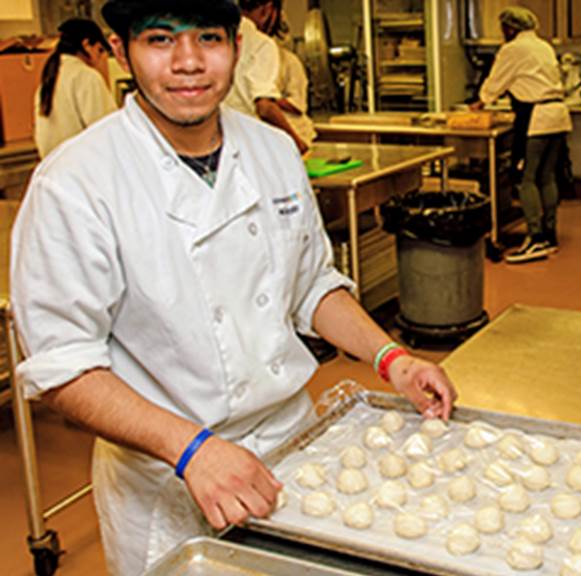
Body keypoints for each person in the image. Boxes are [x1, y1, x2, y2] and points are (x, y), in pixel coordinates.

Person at [11, 1, 456, 574]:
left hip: (296, 454)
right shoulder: (76, 183)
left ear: (237, 48)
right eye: (160, 40)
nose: (189, 62)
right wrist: (190, 450)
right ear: (121, 50)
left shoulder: (272, 151)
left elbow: (311, 285)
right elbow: (64, 365)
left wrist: (393, 358)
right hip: (166, 475)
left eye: (209, 38)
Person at [470, 6, 572, 264]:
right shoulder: (543, 46)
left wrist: (480, 102)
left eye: (503, 28)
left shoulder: (513, 49)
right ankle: (549, 235)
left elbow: (496, 81)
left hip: (535, 118)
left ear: (510, 28)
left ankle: (535, 238)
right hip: (558, 116)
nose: (502, 32)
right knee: (546, 177)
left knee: (525, 179)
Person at [224, 0, 309, 153]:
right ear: (268, 9)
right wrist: (296, 143)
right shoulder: (261, 44)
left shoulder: (216, 36)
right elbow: (264, 107)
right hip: (250, 144)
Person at [34, 18, 117, 158]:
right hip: (82, 167)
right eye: (100, 50)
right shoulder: (86, 76)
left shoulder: (50, 76)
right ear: (86, 44)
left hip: (56, 166)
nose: (100, 58)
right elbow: (106, 129)